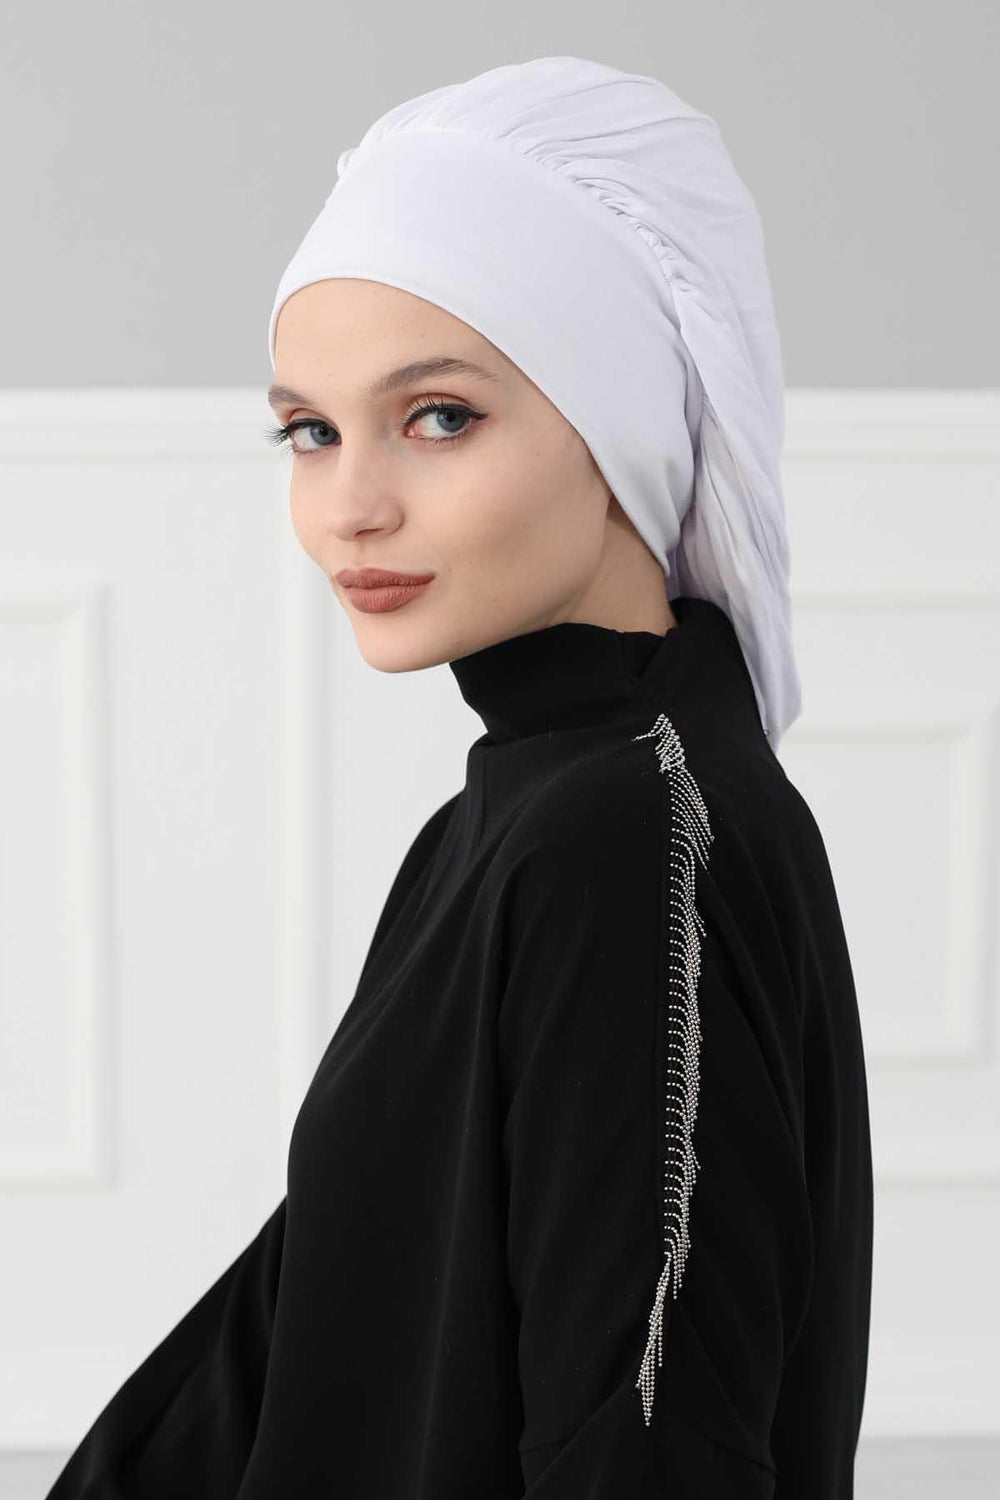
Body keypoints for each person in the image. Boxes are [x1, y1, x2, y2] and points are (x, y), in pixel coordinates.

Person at [48, 57, 873, 1498]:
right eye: (310, 431)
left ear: (622, 425)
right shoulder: (524, 810)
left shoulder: (625, 835)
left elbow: (643, 1448)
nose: (349, 506)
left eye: (439, 417)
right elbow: (298, 1328)